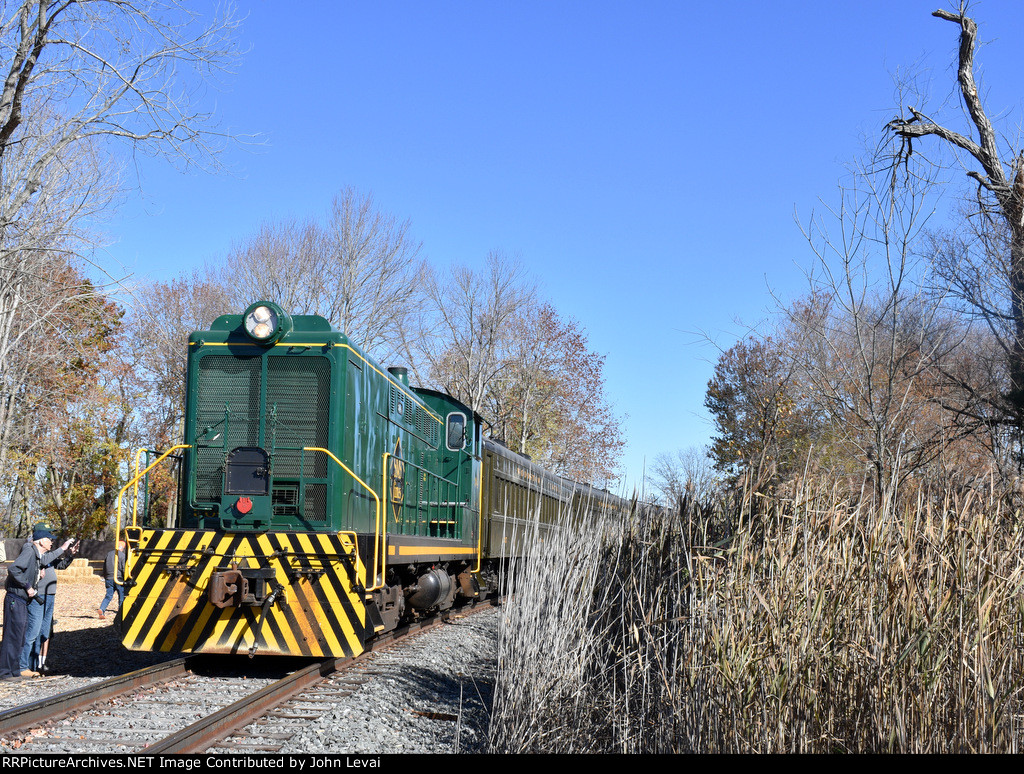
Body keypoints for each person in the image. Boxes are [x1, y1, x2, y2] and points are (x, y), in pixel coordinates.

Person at [20, 522, 77, 675]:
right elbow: (42, 561)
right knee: (34, 630)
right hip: (38, 595)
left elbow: (61, 565)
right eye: (49, 538)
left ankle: (37, 665)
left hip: (50, 595)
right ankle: (26, 666)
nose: (52, 541)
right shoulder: (34, 551)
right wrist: (63, 548)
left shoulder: (48, 554)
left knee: (45, 632)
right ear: (40, 538)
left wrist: (70, 555)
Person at [0, 526, 49, 680]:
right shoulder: (29, 550)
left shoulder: (35, 555)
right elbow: (14, 569)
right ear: (41, 541)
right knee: (13, 636)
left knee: (19, 637)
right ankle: (5, 672)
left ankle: (14, 671)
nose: (52, 542)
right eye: (49, 539)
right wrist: (28, 586)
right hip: (15, 599)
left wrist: (37, 577)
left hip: (21, 600)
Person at [98, 540, 126, 619]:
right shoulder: (122, 555)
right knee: (121, 596)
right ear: (122, 547)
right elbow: (123, 568)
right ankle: (121, 613)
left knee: (108, 596)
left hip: (109, 578)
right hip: (119, 579)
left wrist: (105, 576)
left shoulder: (109, 554)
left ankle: (102, 609)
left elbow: (104, 567)